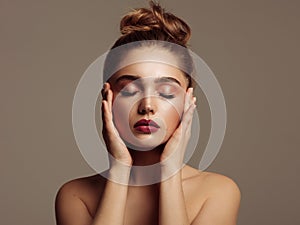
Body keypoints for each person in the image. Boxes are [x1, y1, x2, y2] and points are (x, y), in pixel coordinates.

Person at [55, 1, 241, 225]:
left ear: (188, 102)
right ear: (107, 99)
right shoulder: (76, 196)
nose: (147, 106)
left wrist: (170, 169)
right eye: (130, 90)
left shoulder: (217, 192)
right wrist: (119, 169)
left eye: (166, 92)